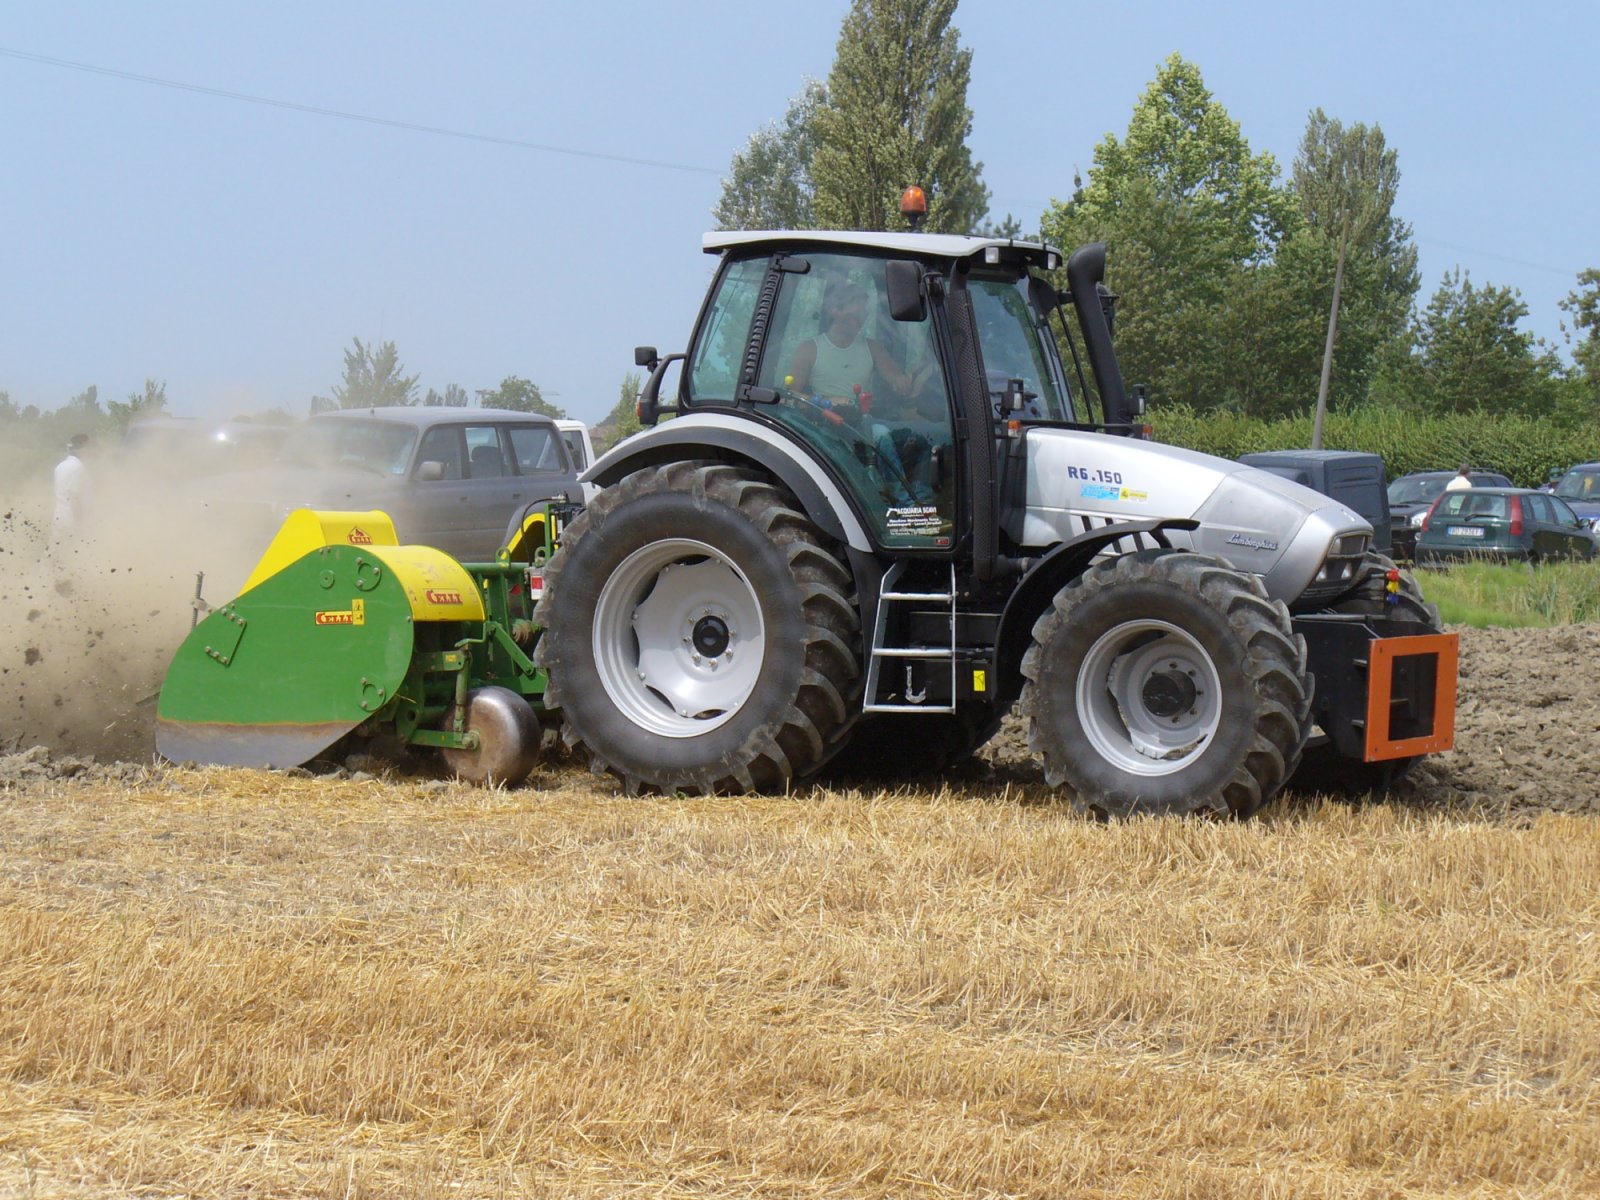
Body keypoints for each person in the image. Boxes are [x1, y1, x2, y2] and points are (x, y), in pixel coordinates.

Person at [787, 281, 932, 406]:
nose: (862, 319)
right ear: (835, 311)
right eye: (856, 315)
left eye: (864, 314)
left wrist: (908, 380)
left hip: (861, 428)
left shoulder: (873, 349)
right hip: (818, 427)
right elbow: (790, 397)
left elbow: (899, 383)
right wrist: (827, 402)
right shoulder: (809, 349)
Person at [54, 433, 90, 534]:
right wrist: (78, 523)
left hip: (58, 516)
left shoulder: (60, 466)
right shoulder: (78, 467)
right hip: (71, 520)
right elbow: (74, 497)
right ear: (83, 450)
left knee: (56, 547)